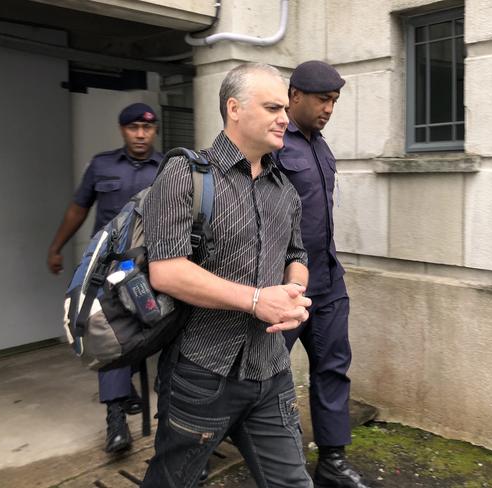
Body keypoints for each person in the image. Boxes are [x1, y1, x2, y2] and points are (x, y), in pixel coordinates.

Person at [140, 63, 314, 488]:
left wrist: (293, 293)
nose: (284, 119)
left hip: (270, 370)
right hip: (202, 371)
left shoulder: (285, 189)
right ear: (234, 108)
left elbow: (297, 254)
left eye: (285, 109)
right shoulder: (186, 174)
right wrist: (256, 300)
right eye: (272, 107)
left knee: (294, 483)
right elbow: (167, 271)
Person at [274, 60, 369, 488]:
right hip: (282, 285)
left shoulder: (321, 146)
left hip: (327, 281)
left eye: (334, 101)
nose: (329, 108)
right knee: (263, 374)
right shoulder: (275, 142)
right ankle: (207, 445)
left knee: (332, 369)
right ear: (294, 96)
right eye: (322, 99)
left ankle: (331, 461)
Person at [47, 102, 162, 453]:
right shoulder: (102, 165)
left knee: (154, 330)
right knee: (110, 333)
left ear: (154, 130)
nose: (140, 135)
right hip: (110, 269)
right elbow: (78, 208)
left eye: (147, 128)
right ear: (122, 130)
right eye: (133, 128)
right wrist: (57, 247)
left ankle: (148, 400)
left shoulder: (168, 167)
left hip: (152, 268)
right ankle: (116, 420)